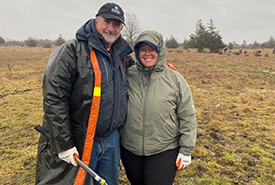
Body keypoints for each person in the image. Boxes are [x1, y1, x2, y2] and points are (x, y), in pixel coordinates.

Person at [35, 2, 134, 185]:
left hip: (111, 139)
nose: (111, 28)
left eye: (117, 24)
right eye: (107, 22)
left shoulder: (122, 56)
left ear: (121, 28)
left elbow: (142, 75)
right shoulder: (71, 51)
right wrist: (64, 144)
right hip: (80, 139)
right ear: (96, 20)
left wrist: (163, 70)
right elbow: (54, 99)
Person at [120, 30, 197, 185]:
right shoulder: (128, 75)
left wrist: (186, 149)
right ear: (137, 51)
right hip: (130, 149)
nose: (147, 54)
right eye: (143, 49)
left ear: (160, 51)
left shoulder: (175, 79)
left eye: (152, 49)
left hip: (163, 149)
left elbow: (187, 115)